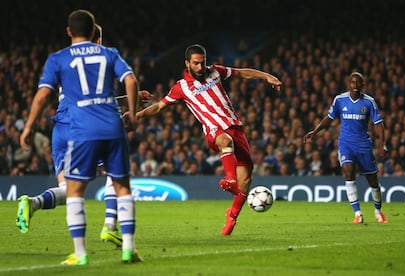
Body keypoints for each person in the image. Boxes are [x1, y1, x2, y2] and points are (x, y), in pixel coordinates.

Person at [19, 10, 141, 265]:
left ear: (69, 31)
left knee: (72, 190)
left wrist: (29, 125)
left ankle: (79, 249)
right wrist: (132, 111)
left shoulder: (60, 60)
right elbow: (128, 81)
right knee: (121, 185)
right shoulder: (109, 54)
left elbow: (48, 96)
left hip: (73, 128)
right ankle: (124, 242)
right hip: (106, 125)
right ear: (96, 33)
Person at [135, 44, 282, 235]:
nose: (200, 67)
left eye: (202, 62)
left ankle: (232, 215)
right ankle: (230, 180)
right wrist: (137, 115)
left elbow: (241, 73)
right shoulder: (181, 87)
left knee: (246, 177)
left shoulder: (215, 72)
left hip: (236, 127)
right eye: (196, 63)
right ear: (187, 63)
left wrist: (266, 76)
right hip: (215, 131)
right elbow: (159, 107)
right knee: (224, 141)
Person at [303, 72, 388, 224]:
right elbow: (329, 118)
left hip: (363, 145)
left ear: (362, 85)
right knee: (348, 172)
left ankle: (378, 211)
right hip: (345, 143)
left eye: (358, 83)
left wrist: (382, 144)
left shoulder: (369, 102)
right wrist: (315, 131)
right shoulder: (340, 100)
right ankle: (358, 214)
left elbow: (378, 124)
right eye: (352, 83)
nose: (355, 86)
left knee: (373, 180)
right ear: (348, 84)